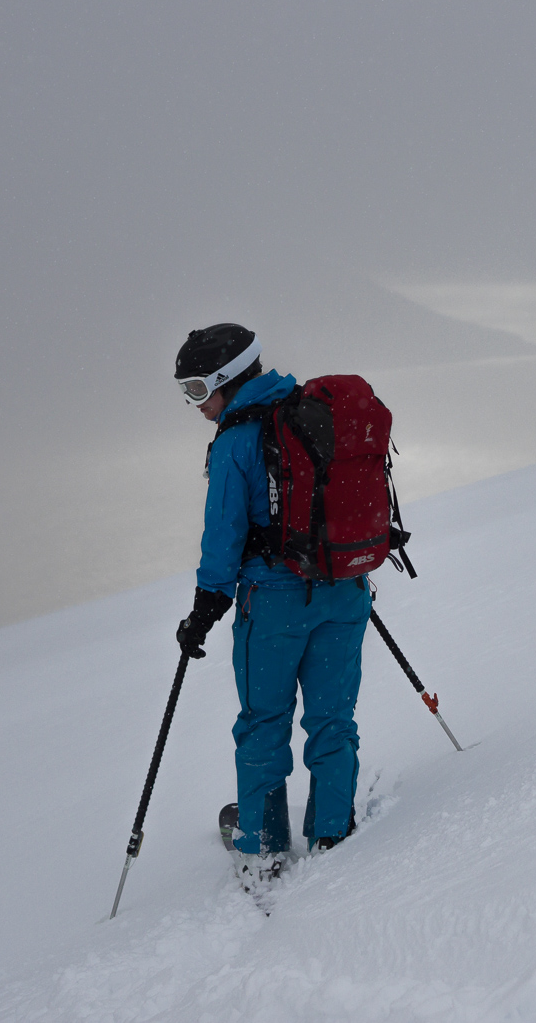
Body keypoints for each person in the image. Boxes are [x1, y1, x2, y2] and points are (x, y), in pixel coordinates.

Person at [172, 324, 371, 883]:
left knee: (263, 724)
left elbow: (223, 536)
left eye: (196, 389)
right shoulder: (312, 413)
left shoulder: (235, 442)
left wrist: (203, 611)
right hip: (344, 592)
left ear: (227, 379)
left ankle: (262, 846)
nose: (194, 404)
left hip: (275, 608)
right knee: (333, 719)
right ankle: (331, 831)